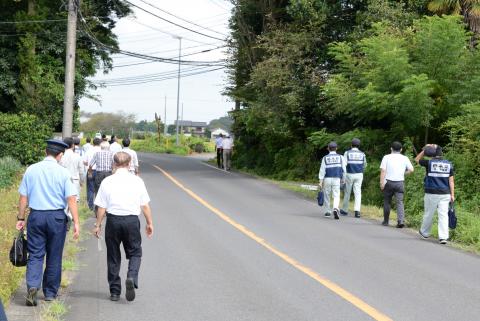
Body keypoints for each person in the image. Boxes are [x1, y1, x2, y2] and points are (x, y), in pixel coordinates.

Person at [16, 139, 80, 306]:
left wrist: (21, 218)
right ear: (60, 155)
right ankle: (50, 293)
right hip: (57, 218)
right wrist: (77, 222)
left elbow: (23, 197)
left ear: (46, 152)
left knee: (35, 254)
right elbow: (71, 199)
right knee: (54, 255)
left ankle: (32, 286)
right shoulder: (63, 173)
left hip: (36, 216)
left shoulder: (31, 170)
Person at [93, 152, 154, 302]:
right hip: (132, 221)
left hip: (113, 221)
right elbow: (144, 206)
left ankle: (114, 291)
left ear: (113, 164)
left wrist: (98, 225)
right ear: (129, 163)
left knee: (113, 256)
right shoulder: (137, 181)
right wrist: (149, 223)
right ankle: (131, 277)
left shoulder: (107, 181)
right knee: (135, 252)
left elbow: (101, 207)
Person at [415, 144, 455, 244]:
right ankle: (443, 237)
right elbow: (451, 181)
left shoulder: (429, 163)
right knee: (443, 215)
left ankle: (425, 233)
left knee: (429, 213)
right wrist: (452, 195)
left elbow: (416, 159)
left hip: (431, 193)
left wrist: (424, 150)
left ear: (432, 153)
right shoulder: (448, 164)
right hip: (445, 193)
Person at [380, 141, 414, 228]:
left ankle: (386, 221)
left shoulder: (386, 157)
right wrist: (403, 173)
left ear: (391, 148)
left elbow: (383, 170)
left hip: (388, 182)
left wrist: (382, 182)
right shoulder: (405, 158)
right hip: (399, 183)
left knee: (387, 201)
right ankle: (400, 221)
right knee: (400, 202)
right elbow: (411, 170)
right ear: (401, 149)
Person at [319, 142, 346, 220]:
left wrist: (320, 181)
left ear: (328, 148)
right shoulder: (341, 157)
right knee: (336, 195)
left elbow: (322, 170)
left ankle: (327, 211)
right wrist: (343, 179)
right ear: (336, 148)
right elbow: (344, 169)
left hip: (327, 178)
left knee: (327, 195)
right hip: (337, 179)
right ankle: (335, 208)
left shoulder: (325, 158)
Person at [341, 138, 367, 218]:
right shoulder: (362, 154)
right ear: (359, 146)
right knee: (358, 192)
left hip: (349, 174)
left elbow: (344, 165)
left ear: (351, 145)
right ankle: (357, 211)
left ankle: (345, 210)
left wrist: (343, 176)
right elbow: (365, 165)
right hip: (359, 174)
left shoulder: (347, 153)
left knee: (347, 192)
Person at [89, 141, 114, 215]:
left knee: (98, 191)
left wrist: (90, 173)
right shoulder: (112, 153)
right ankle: (107, 210)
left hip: (99, 174)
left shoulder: (97, 153)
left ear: (101, 147)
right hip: (108, 174)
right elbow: (114, 165)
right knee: (109, 192)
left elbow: (90, 165)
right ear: (108, 147)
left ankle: (97, 211)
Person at [60, 137, 85, 202]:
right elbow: (81, 171)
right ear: (73, 145)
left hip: (62, 182)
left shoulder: (60, 156)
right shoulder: (77, 156)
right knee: (73, 203)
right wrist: (82, 181)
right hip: (75, 181)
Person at [83, 138, 101, 211]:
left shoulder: (89, 150)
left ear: (93, 143)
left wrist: (88, 164)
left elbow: (84, 161)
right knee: (99, 189)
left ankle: (90, 206)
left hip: (90, 171)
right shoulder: (101, 151)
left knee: (90, 189)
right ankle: (98, 206)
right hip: (99, 172)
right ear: (100, 143)